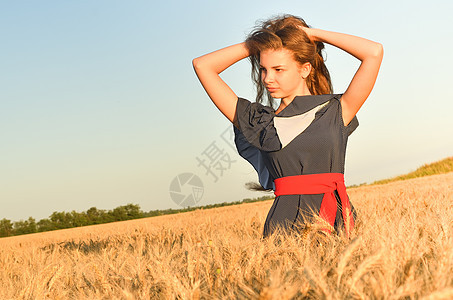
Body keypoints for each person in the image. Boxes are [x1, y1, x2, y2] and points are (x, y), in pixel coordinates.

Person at [192, 14, 383, 239]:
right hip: (282, 231)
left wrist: (310, 34)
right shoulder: (258, 122)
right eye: (264, 69)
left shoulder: (336, 110)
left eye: (278, 70)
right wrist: (259, 42)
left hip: (335, 221)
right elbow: (203, 65)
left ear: (304, 69)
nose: (267, 78)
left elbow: (374, 52)